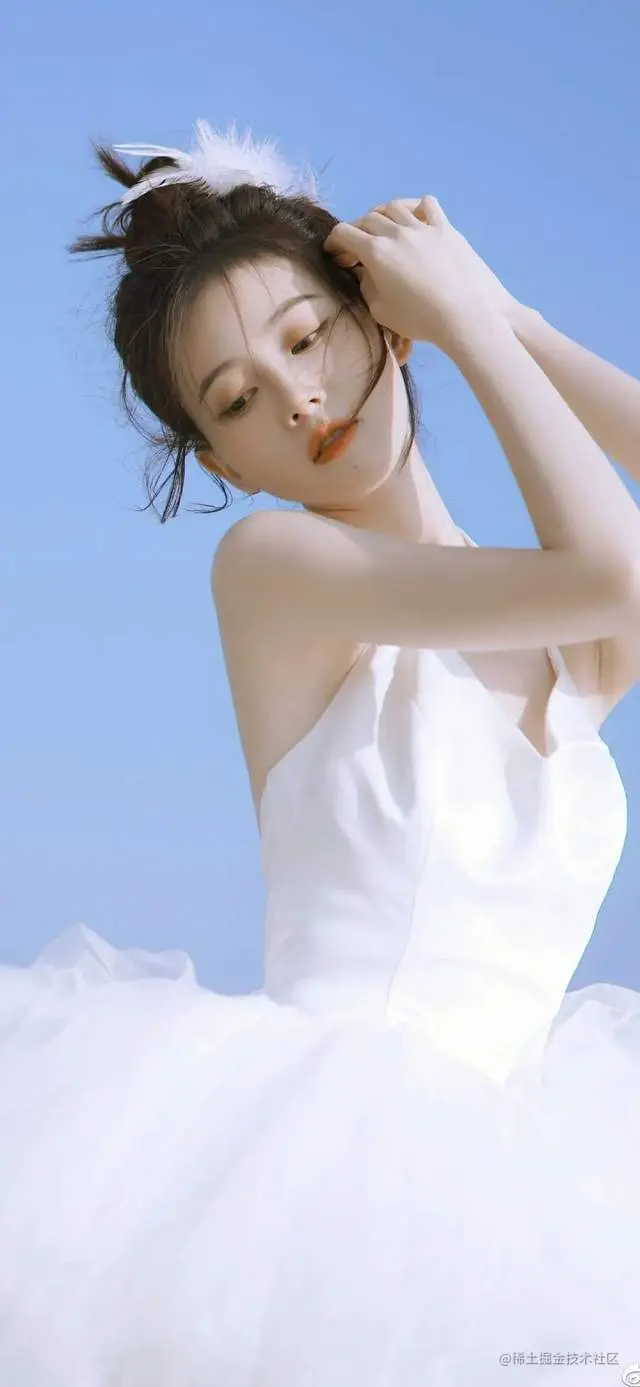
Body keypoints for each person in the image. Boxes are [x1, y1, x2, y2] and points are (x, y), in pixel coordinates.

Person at [0, 119, 639, 1386]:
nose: (295, 398)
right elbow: (617, 571)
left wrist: (501, 312)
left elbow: (606, 577)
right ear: (222, 464)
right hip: (324, 1191)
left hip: (513, 1194)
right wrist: (470, 332)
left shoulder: (567, 651)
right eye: (237, 400)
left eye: (306, 338)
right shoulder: (275, 569)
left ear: (381, 319)